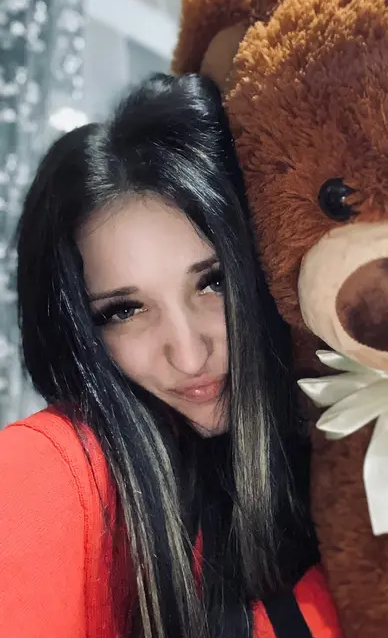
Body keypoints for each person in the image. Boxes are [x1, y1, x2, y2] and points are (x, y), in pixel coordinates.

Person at [0, 74, 341, 638]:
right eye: (124, 310)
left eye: (212, 282)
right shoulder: (51, 474)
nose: (187, 355)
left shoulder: (349, 462)